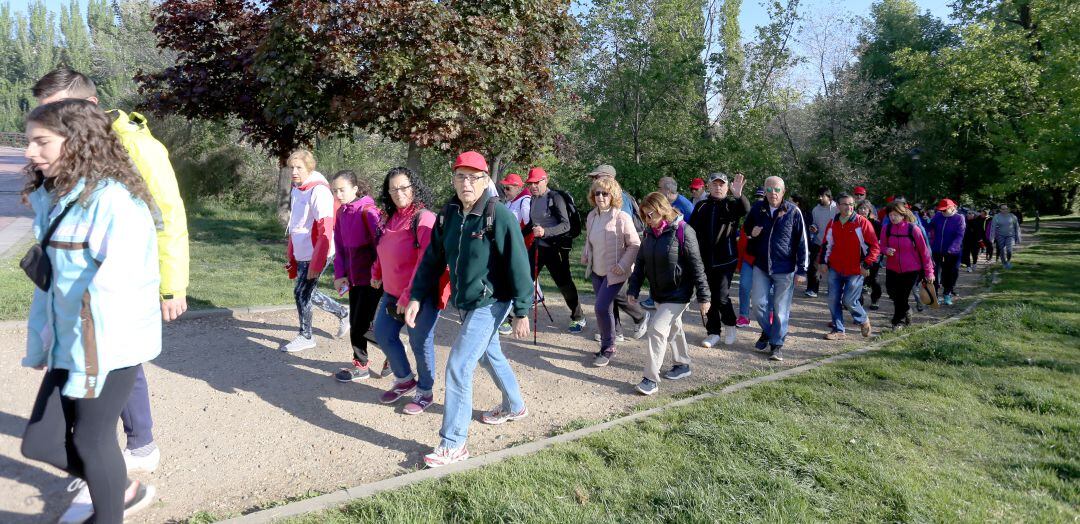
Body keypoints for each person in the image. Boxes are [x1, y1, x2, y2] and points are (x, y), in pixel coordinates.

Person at [32, 67, 187, 519]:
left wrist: (172, 284)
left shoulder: (138, 146)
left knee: (120, 367)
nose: (46, 124)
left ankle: (131, 452)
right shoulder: (62, 149)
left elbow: (167, 215)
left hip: (121, 292)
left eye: (57, 112)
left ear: (88, 108)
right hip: (78, 298)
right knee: (87, 413)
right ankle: (110, 470)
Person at [407, 151, 533, 468]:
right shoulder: (448, 216)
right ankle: (515, 406)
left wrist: (521, 309)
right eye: (461, 176)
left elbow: (519, 264)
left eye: (474, 177)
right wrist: (417, 296)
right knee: (490, 354)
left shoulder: (498, 215)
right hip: (465, 301)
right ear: (453, 179)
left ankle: (453, 444)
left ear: (485, 180)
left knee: (459, 364)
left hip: (492, 302)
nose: (467, 183)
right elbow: (432, 261)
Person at [371, 167, 449, 414]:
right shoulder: (389, 217)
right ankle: (405, 379)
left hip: (419, 296)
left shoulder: (424, 218)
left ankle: (425, 391)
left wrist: (408, 294)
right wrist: (376, 271)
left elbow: (426, 261)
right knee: (382, 334)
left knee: (419, 341)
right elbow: (383, 248)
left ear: (414, 187)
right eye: (393, 188)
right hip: (391, 293)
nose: (398, 193)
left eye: (404, 187)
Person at [627, 192, 710, 395]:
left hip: (679, 294)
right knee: (673, 328)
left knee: (656, 329)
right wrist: (633, 288)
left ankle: (650, 380)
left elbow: (697, 266)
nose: (648, 220)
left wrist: (704, 296)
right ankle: (682, 364)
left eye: (651, 215)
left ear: (663, 211)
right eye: (644, 215)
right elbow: (640, 264)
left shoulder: (683, 231)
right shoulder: (648, 233)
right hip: (658, 293)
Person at [283, 149, 350, 352]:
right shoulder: (297, 187)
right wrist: (292, 250)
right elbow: (297, 222)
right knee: (308, 291)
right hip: (302, 249)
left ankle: (306, 336)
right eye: (292, 167)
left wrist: (317, 261)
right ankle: (342, 312)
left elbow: (325, 229)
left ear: (309, 167)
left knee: (301, 292)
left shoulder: (318, 191)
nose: (294, 171)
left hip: (318, 251)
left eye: (299, 167)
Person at [744, 176, 809, 361]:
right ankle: (770, 331)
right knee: (757, 304)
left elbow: (802, 241)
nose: (773, 193)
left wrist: (802, 270)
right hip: (762, 266)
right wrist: (751, 232)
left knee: (781, 309)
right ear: (765, 191)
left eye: (777, 189)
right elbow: (746, 228)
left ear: (784, 191)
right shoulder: (758, 208)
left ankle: (776, 345)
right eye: (770, 189)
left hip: (785, 268)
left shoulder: (793, 211)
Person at [580, 176, 640, 367]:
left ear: (612, 195)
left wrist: (623, 265)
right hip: (597, 271)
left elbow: (635, 245)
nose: (600, 197)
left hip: (615, 272)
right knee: (604, 310)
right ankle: (607, 343)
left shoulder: (622, 217)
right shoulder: (592, 216)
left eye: (604, 193)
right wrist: (586, 253)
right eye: (597, 193)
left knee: (600, 308)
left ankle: (608, 348)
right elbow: (589, 240)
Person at [329, 170, 383, 381]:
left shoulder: (368, 212)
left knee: (361, 324)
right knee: (356, 321)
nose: (338, 195)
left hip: (373, 279)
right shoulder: (342, 213)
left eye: (342, 190)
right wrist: (340, 275)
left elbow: (381, 247)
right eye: (335, 191)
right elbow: (340, 248)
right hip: (353, 279)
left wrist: (378, 274)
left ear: (355, 188)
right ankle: (388, 352)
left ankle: (363, 365)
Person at [688, 172, 749, 347]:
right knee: (707, 297)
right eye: (715, 184)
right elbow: (691, 232)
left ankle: (730, 325)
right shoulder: (701, 206)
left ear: (727, 186)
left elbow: (746, 210)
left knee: (721, 296)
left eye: (721, 184)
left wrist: (738, 195)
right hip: (704, 261)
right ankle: (713, 332)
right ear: (708, 186)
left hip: (725, 260)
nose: (718, 187)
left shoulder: (732, 205)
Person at [587, 165, 650, 329]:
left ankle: (640, 316)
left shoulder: (620, 199)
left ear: (609, 178)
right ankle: (616, 329)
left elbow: (626, 232)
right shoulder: (597, 207)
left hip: (620, 259)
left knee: (618, 295)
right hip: (605, 261)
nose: (595, 182)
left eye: (598, 177)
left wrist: (624, 263)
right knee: (609, 298)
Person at [527, 166, 586, 332]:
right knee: (525, 280)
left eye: (536, 182)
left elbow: (566, 225)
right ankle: (514, 316)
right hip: (539, 247)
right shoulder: (533, 199)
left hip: (557, 249)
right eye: (530, 183)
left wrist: (546, 232)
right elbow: (533, 224)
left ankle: (578, 317)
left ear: (546, 180)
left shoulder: (555, 197)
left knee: (564, 284)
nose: (533, 186)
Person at [817, 193, 880, 340]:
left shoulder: (862, 222)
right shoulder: (833, 223)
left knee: (849, 301)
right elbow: (826, 244)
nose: (849, 207)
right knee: (832, 299)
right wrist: (823, 262)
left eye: (851, 204)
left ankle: (863, 319)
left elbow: (874, 247)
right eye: (845, 204)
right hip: (836, 268)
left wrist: (866, 264)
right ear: (838, 206)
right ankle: (838, 330)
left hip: (855, 270)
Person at [880, 201, 935, 329]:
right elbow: (881, 246)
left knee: (901, 296)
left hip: (911, 270)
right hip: (892, 268)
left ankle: (898, 322)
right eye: (890, 215)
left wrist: (929, 272)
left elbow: (924, 252)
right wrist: (886, 250)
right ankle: (907, 311)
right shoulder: (886, 229)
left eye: (895, 215)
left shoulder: (913, 229)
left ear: (903, 214)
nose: (892, 217)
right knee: (892, 293)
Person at [928, 198, 966, 306]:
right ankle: (934, 296)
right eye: (941, 210)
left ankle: (947, 293)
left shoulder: (959, 218)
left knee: (949, 274)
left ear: (952, 207)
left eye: (945, 210)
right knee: (934, 273)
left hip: (952, 252)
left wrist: (952, 248)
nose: (942, 212)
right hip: (937, 250)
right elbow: (929, 227)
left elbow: (959, 236)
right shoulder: (938, 216)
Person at [806, 187, 837, 298]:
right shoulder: (815, 209)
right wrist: (813, 228)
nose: (819, 198)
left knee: (834, 269)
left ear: (828, 196)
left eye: (821, 196)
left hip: (834, 245)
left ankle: (834, 290)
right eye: (818, 196)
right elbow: (815, 224)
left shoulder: (837, 208)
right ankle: (812, 289)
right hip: (818, 242)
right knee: (813, 267)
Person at [856, 201, 883, 309]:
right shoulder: (854, 222)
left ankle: (875, 299)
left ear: (869, 211)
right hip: (858, 255)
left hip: (873, 256)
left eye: (865, 209)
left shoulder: (876, 224)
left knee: (873, 279)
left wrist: (875, 255)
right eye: (861, 208)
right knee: (858, 281)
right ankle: (859, 303)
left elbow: (880, 241)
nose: (863, 211)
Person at [736, 222, 756, 328]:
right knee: (744, 286)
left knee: (769, 290)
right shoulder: (750, 221)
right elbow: (742, 244)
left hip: (765, 263)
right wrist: (739, 264)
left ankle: (771, 314)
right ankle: (744, 316)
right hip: (748, 260)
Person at [992, 203, 1021, 269]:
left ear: (1008, 209)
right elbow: (993, 228)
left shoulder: (1012, 216)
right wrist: (992, 238)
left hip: (1010, 236)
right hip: (1000, 236)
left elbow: (1017, 227)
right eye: (1003, 209)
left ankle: (1008, 261)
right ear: (1000, 209)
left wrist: (1018, 237)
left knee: (1009, 250)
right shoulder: (996, 216)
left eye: (1006, 209)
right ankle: (1004, 263)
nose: (1005, 210)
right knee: (1002, 250)